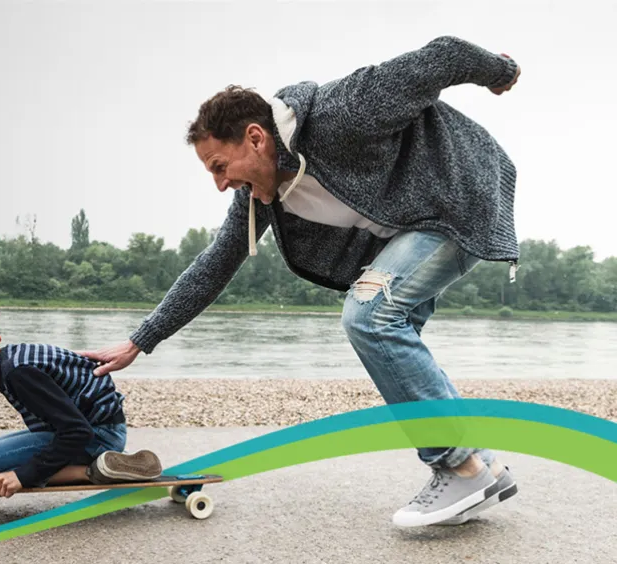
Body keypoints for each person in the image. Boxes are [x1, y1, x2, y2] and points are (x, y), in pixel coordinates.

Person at [77, 36, 522, 527]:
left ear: (255, 137)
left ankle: (459, 467)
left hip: (462, 198)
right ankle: (482, 465)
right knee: (394, 338)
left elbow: (440, 57)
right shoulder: (261, 196)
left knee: (371, 316)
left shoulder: (341, 114)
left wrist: (498, 71)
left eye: (219, 167)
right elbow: (215, 264)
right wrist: (143, 338)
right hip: (412, 228)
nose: (220, 184)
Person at [0, 291, 162, 497]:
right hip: (96, 428)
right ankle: (109, 463)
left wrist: (23, 475)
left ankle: (96, 469)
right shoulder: (11, 364)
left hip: (99, 435)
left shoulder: (18, 374)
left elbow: (77, 431)